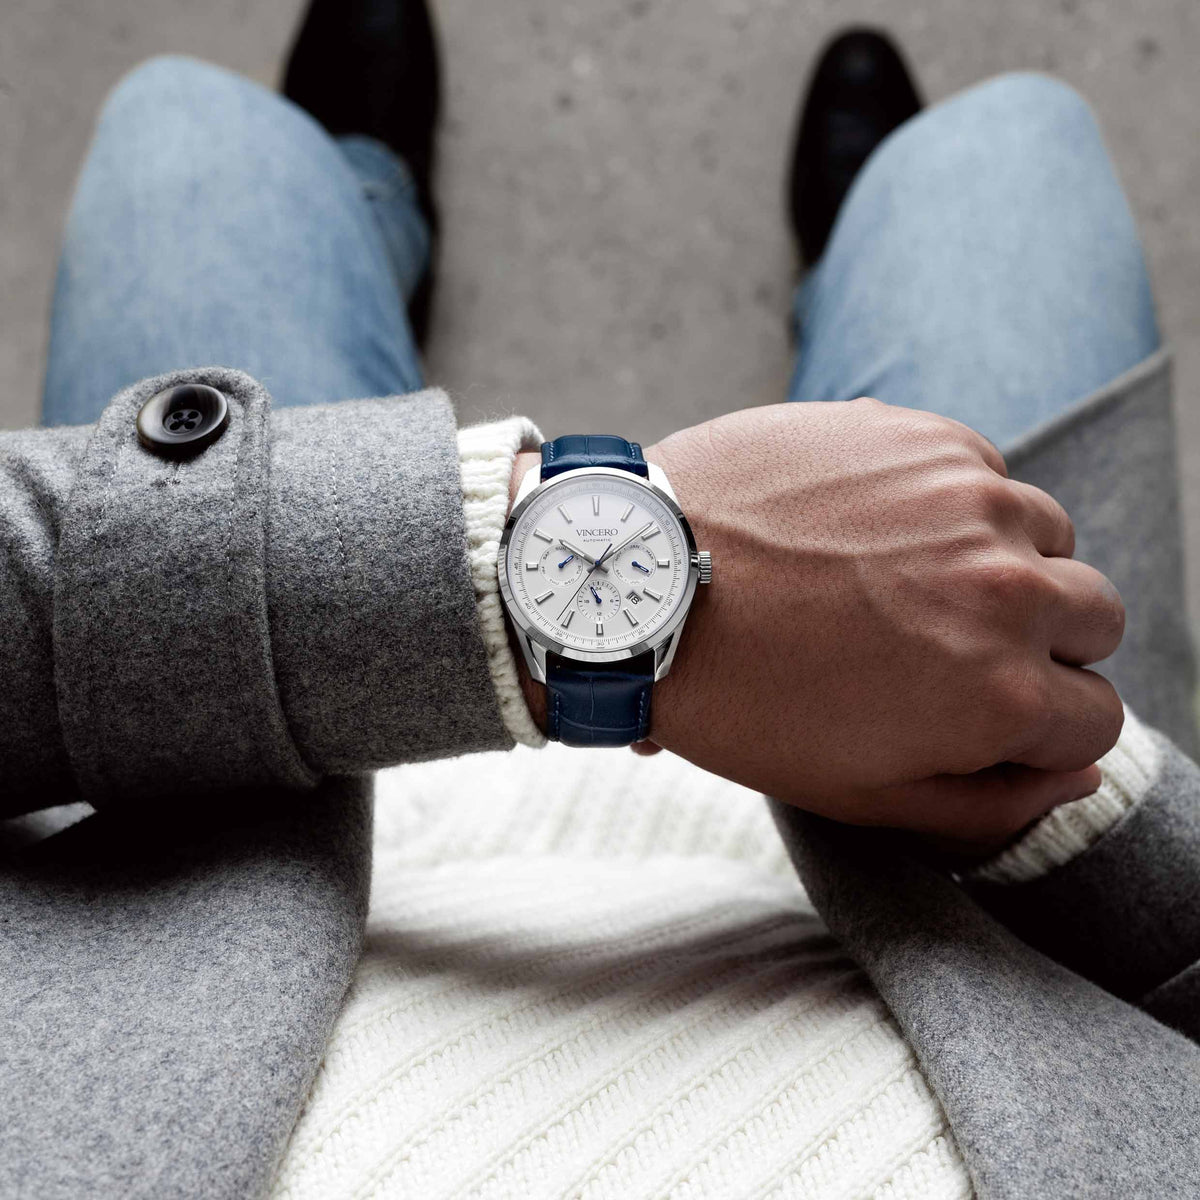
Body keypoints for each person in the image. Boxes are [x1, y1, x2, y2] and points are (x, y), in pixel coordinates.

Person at [2, 0, 1198, 1194]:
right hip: (953, 856)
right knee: (1003, 149)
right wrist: (1037, 810)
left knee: (193, 131)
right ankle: (850, 284)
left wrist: (471, 566)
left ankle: (369, 200)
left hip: (230, 754)